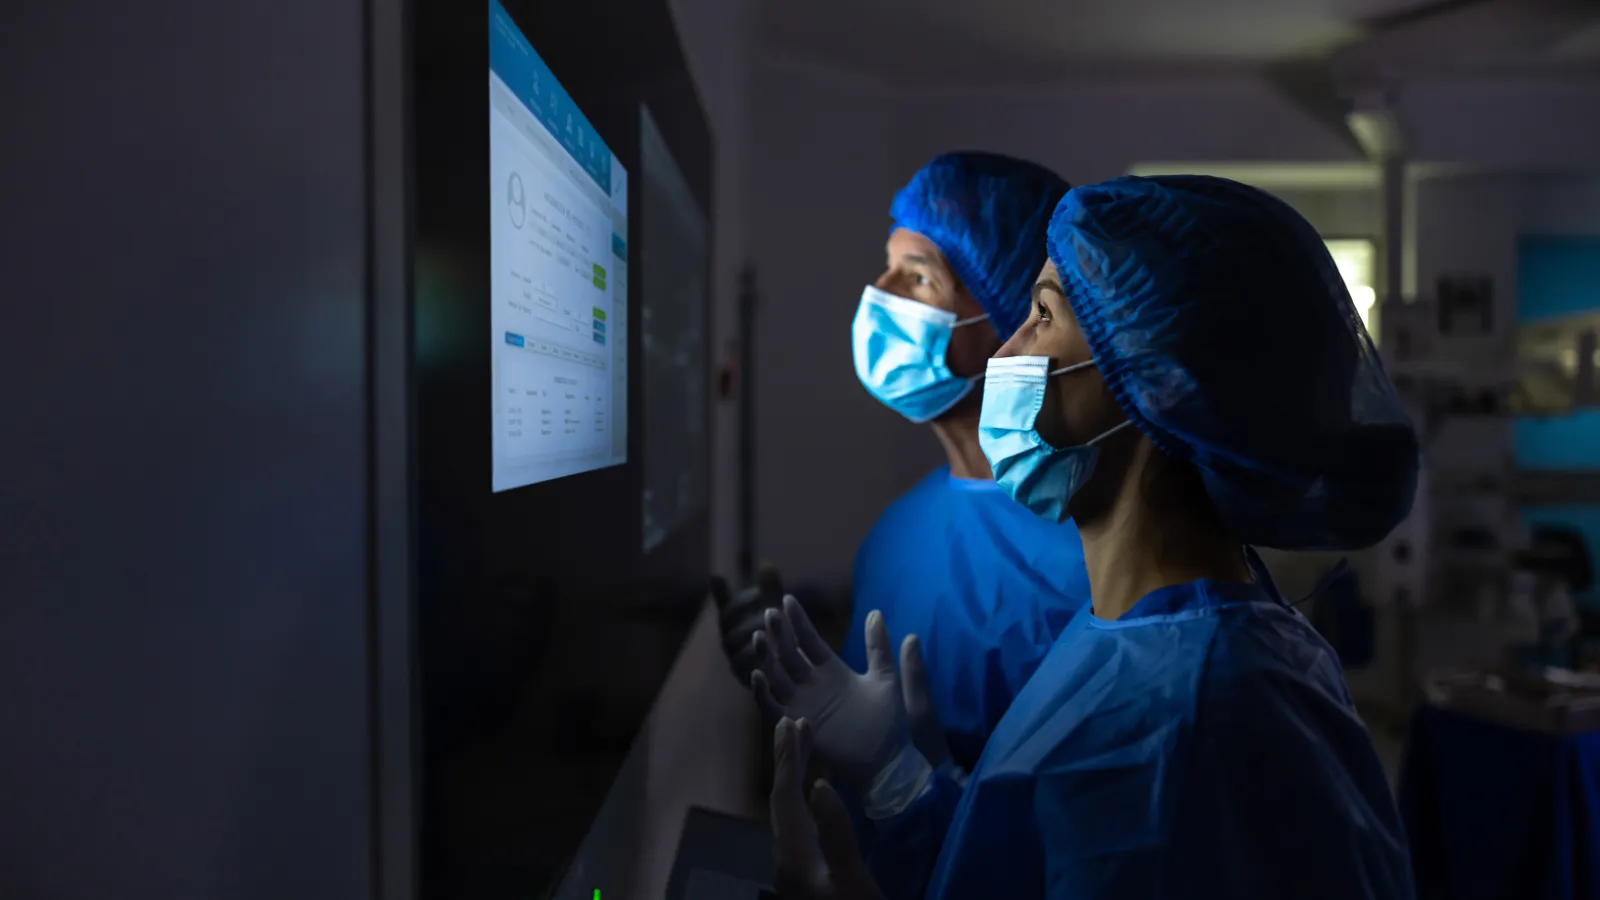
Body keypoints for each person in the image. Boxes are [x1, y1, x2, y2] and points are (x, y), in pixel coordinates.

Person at [751, 174, 1422, 900]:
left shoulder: (1191, 721)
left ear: (1158, 381)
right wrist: (902, 783)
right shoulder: (1129, 627)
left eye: (1040, 315)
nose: (1006, 350)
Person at [714, 152, 1089, 774]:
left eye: (919, 279)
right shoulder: (898, 529)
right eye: (886, 268)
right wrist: (800, 687)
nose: (877, 297)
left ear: (1014, 319)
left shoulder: (1087, 556)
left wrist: (901, 785)